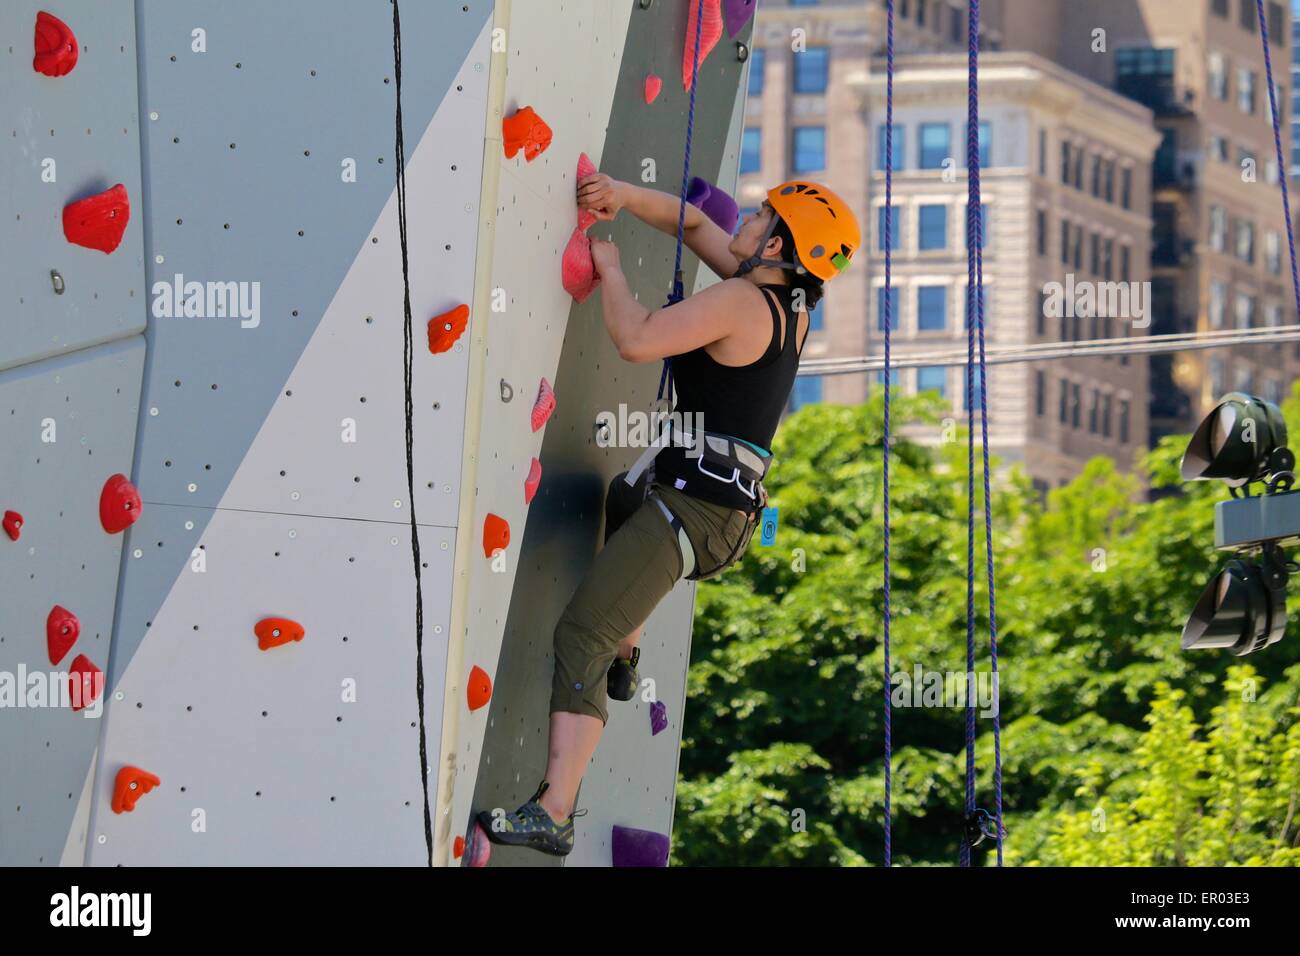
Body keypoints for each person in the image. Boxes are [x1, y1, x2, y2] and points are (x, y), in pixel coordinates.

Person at [476, 176, 860, 856]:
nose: (741, 217)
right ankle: (627, 654)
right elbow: (691, 225)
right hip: (707, 503)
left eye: (758, 215)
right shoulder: (786, 300)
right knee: (623, 498)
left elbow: (636, 338)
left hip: (698, 509)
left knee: (581, 635)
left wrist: (613, 269)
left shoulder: (745, 301)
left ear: (775, 243)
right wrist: (621, 193)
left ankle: (554, 810)